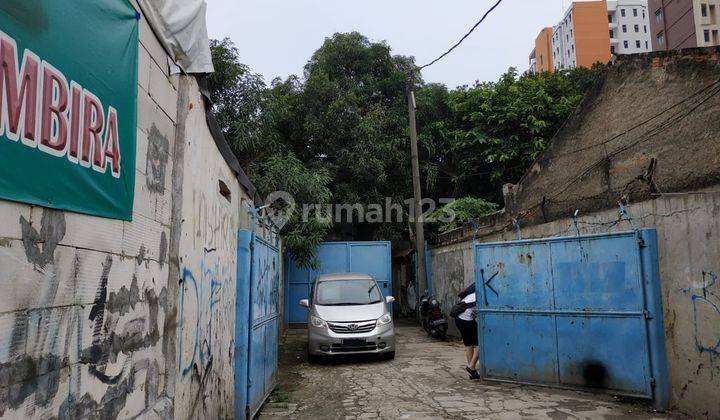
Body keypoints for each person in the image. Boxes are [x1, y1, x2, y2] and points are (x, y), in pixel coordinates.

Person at [454, 291, 479, 380]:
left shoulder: (473, 294)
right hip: (466, 320)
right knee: (480, 344)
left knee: (469, 344)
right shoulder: (482, 295)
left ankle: (472, 371)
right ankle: (471, 366)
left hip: (459, 318)